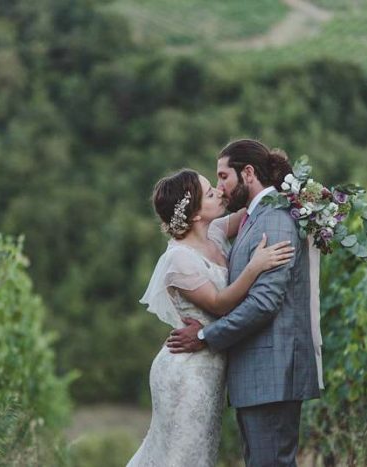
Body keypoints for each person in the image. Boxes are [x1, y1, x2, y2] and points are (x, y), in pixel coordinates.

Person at [167, 139, 323, 467]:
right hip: (258, 376)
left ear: (248, 173)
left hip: (273, 374)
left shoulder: (274, 219)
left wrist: (204, 337)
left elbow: (264, 304)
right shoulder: (255, 217)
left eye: (223, 177)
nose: (220, 187)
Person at [127, 168, 295, 467]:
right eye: (209, 192)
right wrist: (255, 266)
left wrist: (291, 187)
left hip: (211, 362)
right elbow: (218, 304)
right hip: (187, 368)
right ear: (193, 215)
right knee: (182, 455)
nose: (218, 191)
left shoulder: (215, 232)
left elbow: (251, 207)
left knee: (199, 453)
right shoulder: (179, 258)